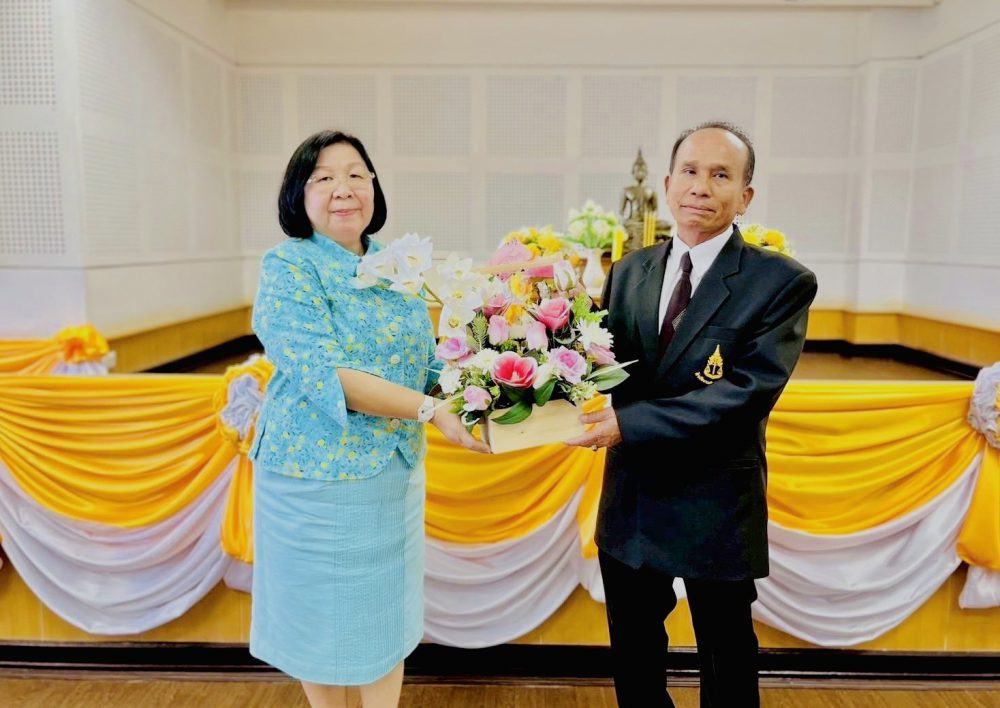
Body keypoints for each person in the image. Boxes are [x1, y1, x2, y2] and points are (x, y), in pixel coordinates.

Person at [566, 122, 818, 707]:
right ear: (667, 184)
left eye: (720, 174)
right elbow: (603, 363)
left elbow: (746, 392)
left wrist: (630, 425)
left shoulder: (780, 282)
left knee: (726, 654)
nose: (701, 186)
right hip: (633, 497)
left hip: (716, 500)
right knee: (633, 653)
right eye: (690, 171)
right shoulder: (629, 271)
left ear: (745, 196)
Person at [248, 130, 489, 708]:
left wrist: (488, 385)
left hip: (392, 476)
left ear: (374, 188)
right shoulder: (289, 265)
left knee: (385, 624)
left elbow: (423, 360)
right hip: (314, 478)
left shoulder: (392, 265)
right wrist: (431, 410)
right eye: (324, 177)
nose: (343, 189)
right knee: (322, 628)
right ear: (298, 194)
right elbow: (325, 374)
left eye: (356, 174)